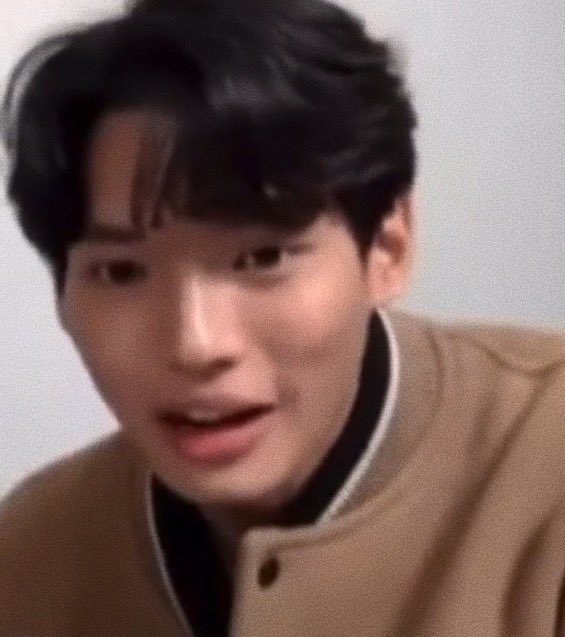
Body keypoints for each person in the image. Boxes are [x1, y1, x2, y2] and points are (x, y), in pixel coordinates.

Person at [1, 0, 564, 635]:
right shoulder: (29, 556)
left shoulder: (548, 458)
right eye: (122, 272)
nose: (196, 344)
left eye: (262, 258)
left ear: (387, 247)